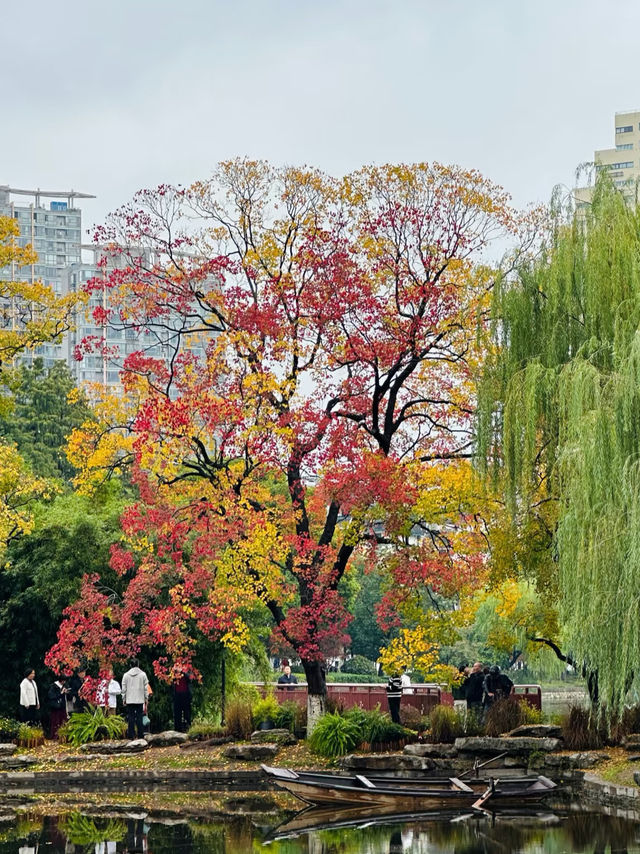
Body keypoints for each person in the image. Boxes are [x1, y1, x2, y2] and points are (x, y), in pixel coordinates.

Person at [121, 658, 149, 740]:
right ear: (138, 665)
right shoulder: (143, 675)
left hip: (130, 699)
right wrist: (146, 698)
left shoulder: (126, 675)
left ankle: (131, 735)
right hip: (139, 699)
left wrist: (124, 698)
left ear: (130, 665)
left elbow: (124, 688)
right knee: (140, 717)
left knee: (131, 717)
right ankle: (140, 735)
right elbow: (145, 688)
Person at [172, 668, 192, 732]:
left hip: (186, 694)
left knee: (187, 712)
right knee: (177, 713)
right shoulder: (173, 669)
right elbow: (170, 680)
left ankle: (188, 728)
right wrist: (175, 673)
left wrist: (182, 671)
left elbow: (190, 678)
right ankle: (177, 730)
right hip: (177, 694)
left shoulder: (188, 668)